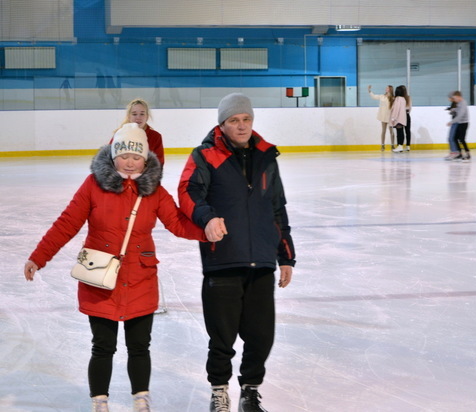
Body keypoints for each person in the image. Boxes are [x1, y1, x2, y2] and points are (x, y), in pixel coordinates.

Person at [24, 123, 208, 412]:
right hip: (101, 281)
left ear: (146, 158)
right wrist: (39, 257)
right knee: (102, 347)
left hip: (140, 279)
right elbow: (67, 223)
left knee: (139, 347)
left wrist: (206, 230)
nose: (131, 162)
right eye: (124, 155)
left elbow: (177, 223)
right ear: (113, 156)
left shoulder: (154, 191)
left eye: (137, 156)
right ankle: (100, 401)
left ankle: (141, 399)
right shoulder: (93, 186)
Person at [178, 93, 296, 412]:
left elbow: (277, 208)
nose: (242, 125)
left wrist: (286, 256)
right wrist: (207, 217)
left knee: (261, 335)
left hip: (261, 260)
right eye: (234, 120)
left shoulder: (265, 157)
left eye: (246, 119)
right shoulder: (205, 155)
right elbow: (188, 193)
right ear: (223, 124)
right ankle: (219, 390)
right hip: (223, 258)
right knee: (222, 335)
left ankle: (250, 391)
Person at [111, 99, 165, 166]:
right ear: (129, 116)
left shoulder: (155, 137)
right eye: (134, 114)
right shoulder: (119, 134)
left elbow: (159, 163)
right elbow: (108, 159)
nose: (138, 117)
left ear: (147, 116)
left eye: (142, 114)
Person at [368, 84, 395, 151]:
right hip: (383, 116)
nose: (386, 89)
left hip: (390, 116)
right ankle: (382, 145)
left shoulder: (393, 98)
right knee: (383, 131)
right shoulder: (382, 96)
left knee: (391, 131)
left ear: (390, 89)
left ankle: (392, 145)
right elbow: (374, 96)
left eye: (387, 88)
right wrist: (369, 91)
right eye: (386, 88)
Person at [447, 91, 471, 162]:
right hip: (459, 123)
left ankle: (467, 154)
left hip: (464, 123)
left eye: (455, 98)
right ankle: (460, 153)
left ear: (459, 97)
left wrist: (451, 122)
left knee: (462, 139)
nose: (455, 100)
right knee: (455, 138)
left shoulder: (463, 103)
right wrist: (452, 110)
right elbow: (457, 110)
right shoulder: (459, 103)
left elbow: (460, 115)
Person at [390, 85, 408, 153]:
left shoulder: (398, 99)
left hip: (398, 118)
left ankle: (400, 145)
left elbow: (396, 109)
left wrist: (393, 118)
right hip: (402, 118)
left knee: (399, 132)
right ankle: (400, 146)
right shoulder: (403, 99)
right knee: (401, 132)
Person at [444, 93, 459, 160]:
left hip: (456, 123)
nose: (448, 99)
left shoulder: (457, 104)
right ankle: (453, 152)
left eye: (449, 97)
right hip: (454, 122)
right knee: (450, 138)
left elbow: (457, 113)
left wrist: (452, 110)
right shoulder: (453, 104)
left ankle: (455, 152)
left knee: (451, 138)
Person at [402, 85, 413, 151]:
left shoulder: (407, 98)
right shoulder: (403, 98)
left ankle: (407, 145)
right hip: (405, 114)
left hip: (405, 114)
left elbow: (410, 107)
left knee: (406, 131)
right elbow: (410, 108)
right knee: (406, 131)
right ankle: (405, 145)